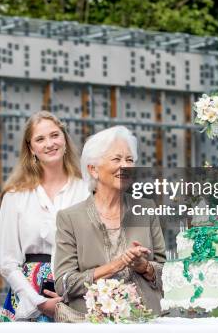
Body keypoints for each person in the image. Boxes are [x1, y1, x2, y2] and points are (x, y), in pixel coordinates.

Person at [54, 126, 166, 319]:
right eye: (117, 159)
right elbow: (64, 284)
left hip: (146, 321)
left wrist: (144, 267)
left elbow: (168, 276)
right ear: (93, 170)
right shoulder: (70, 218)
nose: (125, 166)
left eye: (129, 160)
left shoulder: (147, 208)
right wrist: (116, 265)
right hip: (90, 322)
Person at [0, 111, 88, 322]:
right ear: (31, 148)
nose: (49, 143)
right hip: (27, 297)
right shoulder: (15, 196)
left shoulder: (87, 191)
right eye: (40, 139)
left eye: (55, 135)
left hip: (77, 296)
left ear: (65, 139)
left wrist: (71, 295)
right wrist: (37, 301)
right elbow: (7, 262)